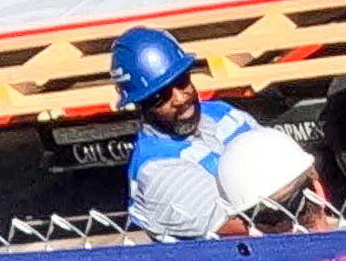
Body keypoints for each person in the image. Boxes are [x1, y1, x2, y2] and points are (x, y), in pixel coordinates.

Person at [114, 26, 303, 240]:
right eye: (160, 95)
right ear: (141, 104)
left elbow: (287, 160)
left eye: (181, 81)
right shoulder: (156, 170)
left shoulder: (222, 112)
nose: (180, 98)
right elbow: (235, 229)